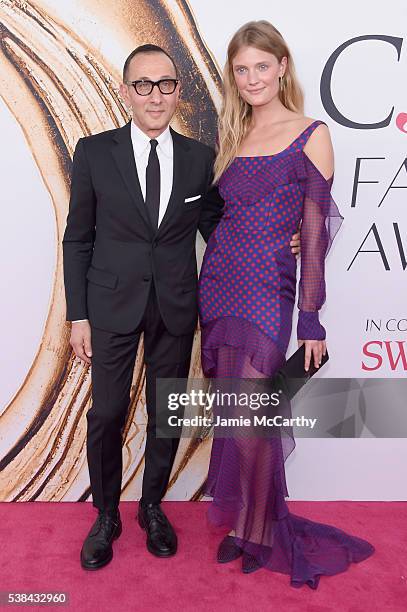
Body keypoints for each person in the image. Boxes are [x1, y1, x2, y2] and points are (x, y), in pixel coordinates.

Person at [63, 41, 303, 570]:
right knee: (106, 413)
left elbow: (221, 225)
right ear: (126, 91)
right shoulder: (94, 152)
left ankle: (152, 507)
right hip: (110, 306)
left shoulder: (200, 158)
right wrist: (76, 314)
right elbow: (77, 238)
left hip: (176, 305)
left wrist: (279, 238)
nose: (155, 95)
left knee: (164, 414)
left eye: (165, 85)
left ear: (178, 92)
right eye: (143, 85)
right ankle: (106, 515)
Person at [198, 21, 375, 588]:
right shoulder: (232, 133)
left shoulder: (312, 133)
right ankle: (247, 525)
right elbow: (222, 215)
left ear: (282, 66)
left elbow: (316, 234)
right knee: (232, 415)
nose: (252, 78)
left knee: (253, 419)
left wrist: (311, 317)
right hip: (219, 285)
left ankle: (261, 528)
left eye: (261, 66)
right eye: (242, 69)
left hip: (267, 291)